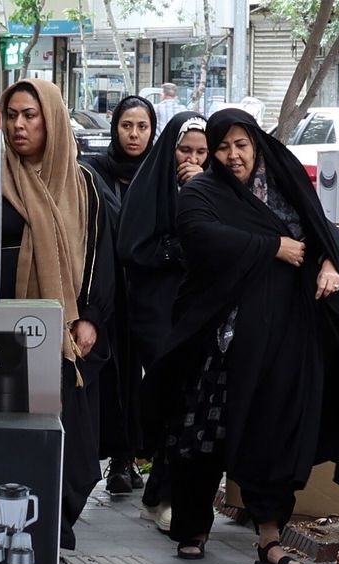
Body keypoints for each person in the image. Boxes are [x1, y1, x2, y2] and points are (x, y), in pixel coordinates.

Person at [142, 109, 339, 564]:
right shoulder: (201, 193)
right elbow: (202, 236)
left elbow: (320, 231)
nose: (232, 156)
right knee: (203, 433)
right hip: (220, 340)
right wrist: (274, 247)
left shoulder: (286, 183)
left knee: (274, 430)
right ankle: (193, 527)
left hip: (284, 336)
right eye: (223, 147)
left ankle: (270, 540)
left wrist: (329, 264)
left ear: (256, 145)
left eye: (241, 145)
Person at [1, 79, 114, 564]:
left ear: (51, 119)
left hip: (61, 333)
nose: (19, 125)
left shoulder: (82, 182)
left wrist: (89, 316)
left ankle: (47, 532)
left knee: (72, 444)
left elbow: (100, 255)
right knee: (11, 439)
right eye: (11, 115)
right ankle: (21, 537)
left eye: (30, 115)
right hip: (4, 334)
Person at [117, 110, 209, 530]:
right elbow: (135, 248)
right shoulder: (149, 187)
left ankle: (160, 495)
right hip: (156, 310)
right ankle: (166, 496)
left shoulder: (211, 189)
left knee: (191, 403)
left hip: (198, 309)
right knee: (175, 401)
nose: (192, 159)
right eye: (184, 150)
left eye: (201, 152)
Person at [80, 95, 157, 495]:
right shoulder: (93, 172)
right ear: (115, 128)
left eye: (142, 126)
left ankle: (136, 455)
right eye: (127, 125)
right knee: (110, 378)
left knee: (145, 378)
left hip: (150, 294)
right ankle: (113, 460)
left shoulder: (161, 175)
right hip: (108, 290)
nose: (134, 134)